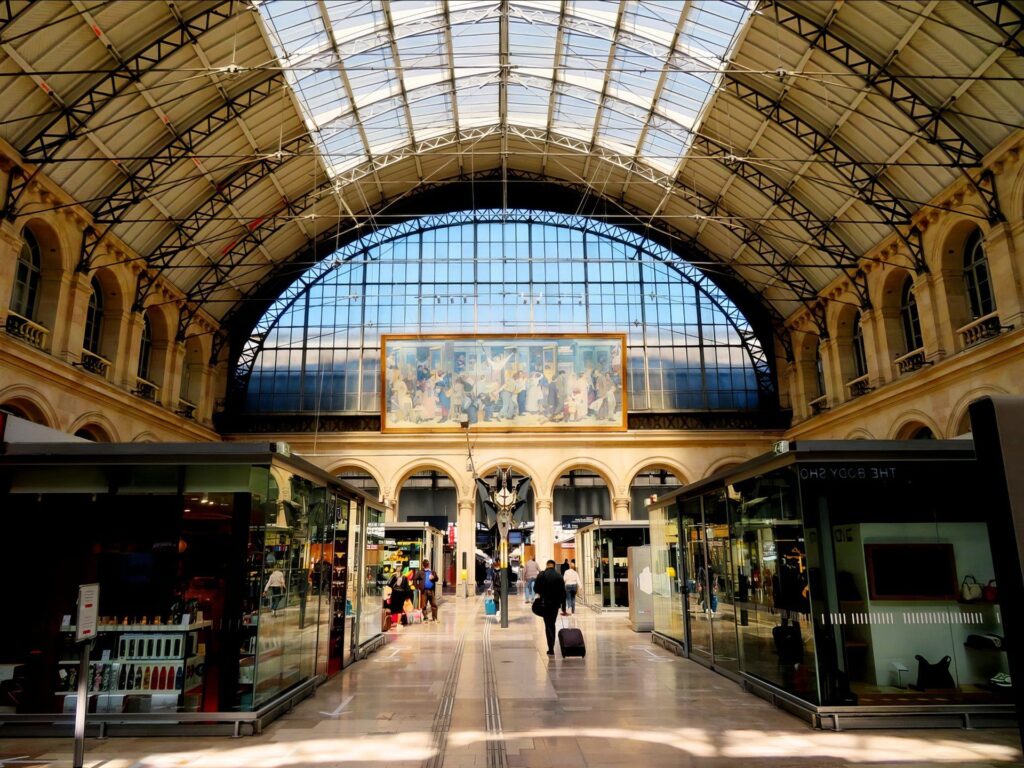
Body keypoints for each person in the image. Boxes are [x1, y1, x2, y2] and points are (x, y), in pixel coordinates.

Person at [534, 560, 566, 656]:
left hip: (545, 603)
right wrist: (563, 607)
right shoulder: (559, 576)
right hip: (555, 605)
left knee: (548, 624)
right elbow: (563, 593)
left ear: (546, 565)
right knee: (552, 623)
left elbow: (536, 589)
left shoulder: (542, 575)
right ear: (554, 566)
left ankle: (551, 648)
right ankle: (551, 645)